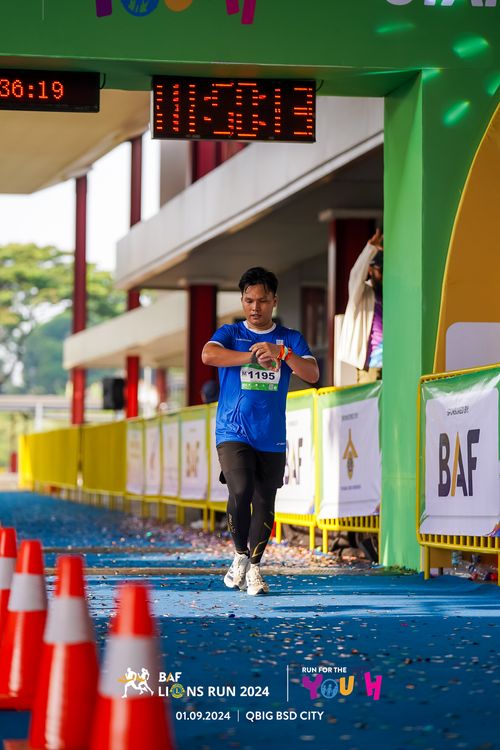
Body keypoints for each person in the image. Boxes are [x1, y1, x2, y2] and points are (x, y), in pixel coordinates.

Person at [201, 267, 319, 595]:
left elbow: (312, 374)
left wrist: (283, 354)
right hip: (233, 430)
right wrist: (251, 356)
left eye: (262, 301)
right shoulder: (230, 333)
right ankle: (240, 554)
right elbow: (208, 354)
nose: (255, 307)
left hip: (271, 434)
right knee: (240, 490)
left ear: (274, 301)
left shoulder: (290, 338)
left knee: (265, 502)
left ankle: (254, 567)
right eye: (249, 300)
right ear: (242, 300)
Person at [337, 228, 383, 382]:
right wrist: (370, 249)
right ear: (370, 270)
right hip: (371, 364)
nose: (382, 275)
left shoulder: (389, 294)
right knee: (371, 398)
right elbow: (356, 275)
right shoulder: (362, 293)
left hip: (393, 362)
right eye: (379, 270)